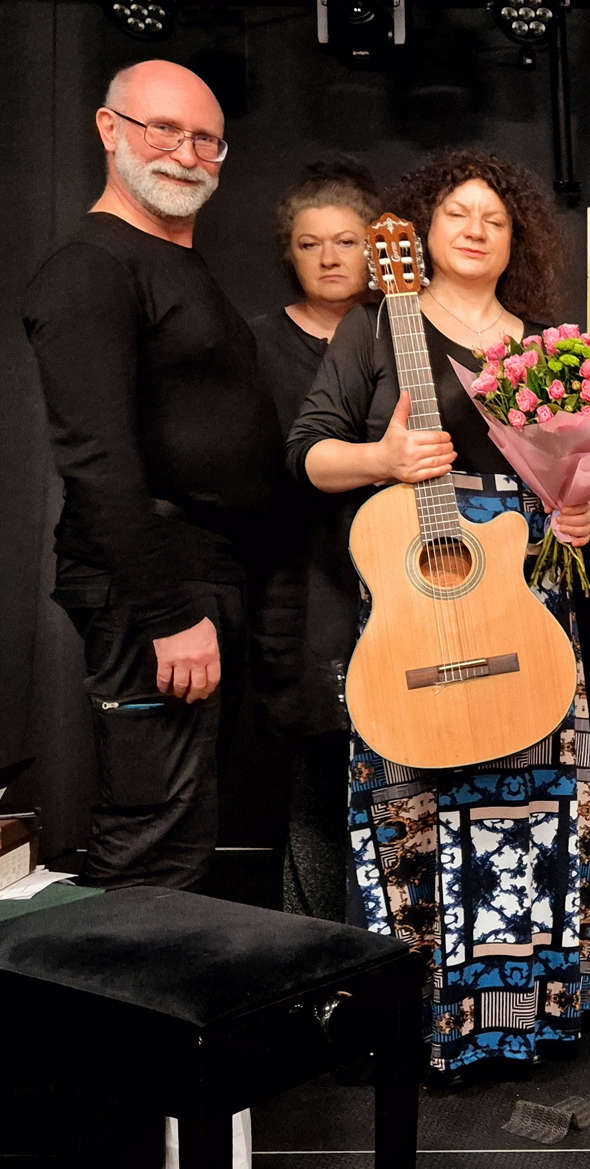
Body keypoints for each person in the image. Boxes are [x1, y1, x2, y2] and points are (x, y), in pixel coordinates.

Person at [285, 150, 590, 1077]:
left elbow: (573, 467)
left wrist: (576, 509)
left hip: (520, 596)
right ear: (421, 229)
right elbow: (307, 452)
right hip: (414, 599)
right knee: (414, 811)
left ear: (517, 240)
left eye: (495, 219)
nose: (475, 229)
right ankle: (413, 1022)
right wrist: (380, 460)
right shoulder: (376, 326)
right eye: (458, 213)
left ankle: (526, 1016)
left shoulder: (549, 345)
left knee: (532, 812)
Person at [23, 60, 282, 891]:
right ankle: (112, 980)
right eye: (163, 129)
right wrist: (168, 613)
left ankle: (160, 976)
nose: (186, 153)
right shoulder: (91, 266)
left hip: (203, 576)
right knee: (153, 834)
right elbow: (96, 457)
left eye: (206, 139)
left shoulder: (173, 262)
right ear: (110, 130)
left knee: (184, 823)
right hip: (156, 587)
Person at [248, 156, 383, 922]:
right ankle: (317, 956)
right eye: (309, 243)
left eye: (345, 240)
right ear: (289, 252)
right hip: (303, 587)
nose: (328, 257)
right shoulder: (256, 346)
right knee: (319, 781)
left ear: (378, 247)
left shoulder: (405, 332)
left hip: (406, 585)